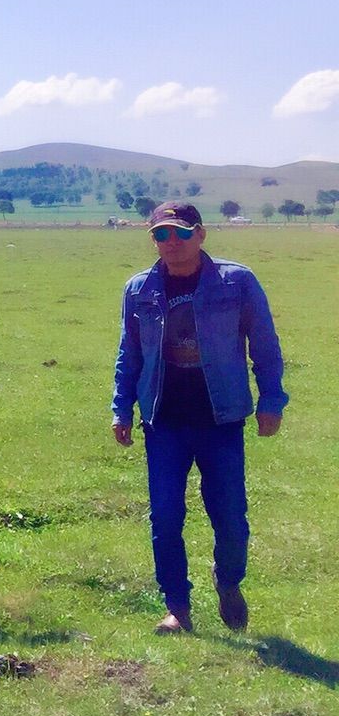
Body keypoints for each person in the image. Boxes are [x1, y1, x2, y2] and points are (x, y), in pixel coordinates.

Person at [111, 201, 287, 634]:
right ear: (153, 240)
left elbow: (264, 343)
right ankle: (177, 608)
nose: (172, 243)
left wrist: (271, 399)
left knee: (229, 515)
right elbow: (129, 354)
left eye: (182, 233)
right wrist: (121, 407)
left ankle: (228, 582)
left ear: (201, 235)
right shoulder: (139, 288)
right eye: (161, 235)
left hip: (221, 418)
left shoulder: (237, 282)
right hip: (163, 420)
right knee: (165, 516)